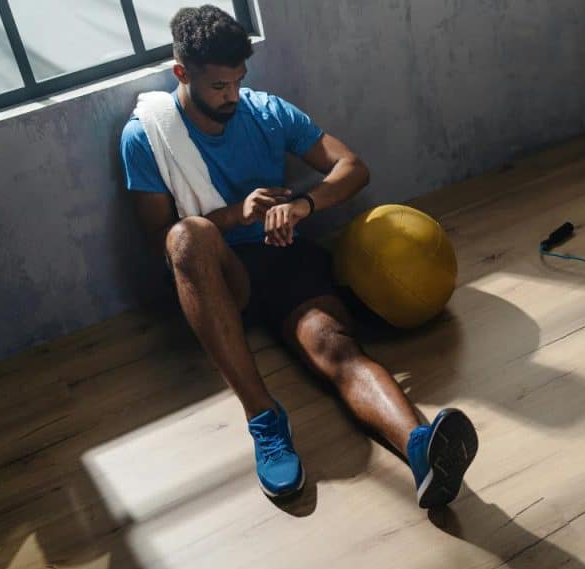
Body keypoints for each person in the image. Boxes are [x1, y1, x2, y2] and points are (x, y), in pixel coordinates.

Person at [119, 5, 478, 508]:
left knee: (337, 349)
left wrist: (302, 204)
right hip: (222, 272)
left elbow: (352, 168)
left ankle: (420, 450)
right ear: (183, 73)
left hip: (285, 260)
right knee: (188, 238)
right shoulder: (147, 136)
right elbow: (160, 237)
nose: (232, 97)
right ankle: (263, 418)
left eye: (239, 81)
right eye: (219, 87)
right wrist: (234, 215)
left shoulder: (265, 111)